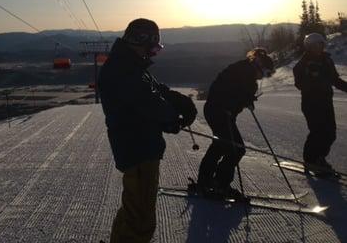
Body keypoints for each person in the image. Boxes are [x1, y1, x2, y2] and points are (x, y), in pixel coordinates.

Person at [98, 18, 197, 243]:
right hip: (137, 146)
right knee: (140, 216)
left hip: (140, 143)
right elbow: (145, 100)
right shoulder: (122, 69)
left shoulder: (129, 64)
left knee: (134, 208)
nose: (153, 54)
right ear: (137, 41)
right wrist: (171, 119)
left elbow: (152, 89)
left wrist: (178, 100)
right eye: (151, 48)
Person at [197, 48, 275, 199]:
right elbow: (220, 88)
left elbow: (241, 93)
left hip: (222, 112)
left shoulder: (248, 73)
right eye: (265, 72)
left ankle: (206, 181)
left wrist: (247, 100)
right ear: (258, 64)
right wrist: (232, 102)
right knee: (236, 149)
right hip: (219, 111)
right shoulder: (241, 70)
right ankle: (220, 184)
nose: (263, 77)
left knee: (219, 146)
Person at [293, 33, 347, 175]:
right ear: (310, 47)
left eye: (322, 44)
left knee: (331, 133)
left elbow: (335, 79)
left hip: (326, 102)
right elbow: (299, 83)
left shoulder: (327, 60)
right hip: (311, 103)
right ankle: (311, 160)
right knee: (317, 132)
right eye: (318, 45)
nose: (321, 47)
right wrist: (311, 78)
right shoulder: (303, 64)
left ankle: (319, 158)